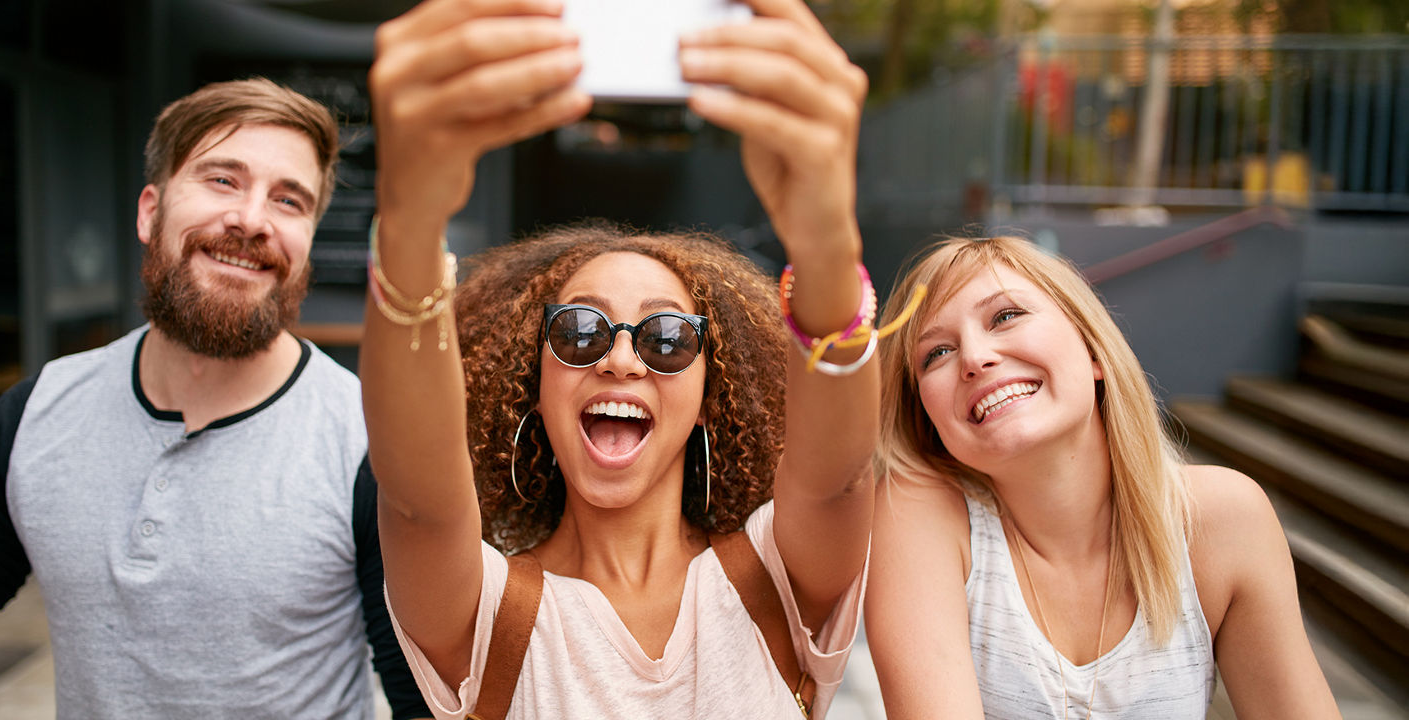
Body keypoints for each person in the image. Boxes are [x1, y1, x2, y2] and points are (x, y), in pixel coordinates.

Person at [0, 78, 428, 720]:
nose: (252, 220)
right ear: (149, 212)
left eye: (289, 201)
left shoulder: (367, 443)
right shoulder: (35, 417)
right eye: (222, 180)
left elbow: (422, 696)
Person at [359, 0, 878, 716]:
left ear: (709, 397)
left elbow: (839, 481)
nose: (623, 359)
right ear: (533, 389)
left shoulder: (776, 581)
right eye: (579, 331)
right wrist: (410, 218)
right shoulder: (484, 616)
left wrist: (825, 244)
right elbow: (417, 504)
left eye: (667, 339)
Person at [863, 235, 1342, 719]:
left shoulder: (1222, 520)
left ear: (1092, 351)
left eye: (1005, 316)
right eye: (936, 354)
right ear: (927, 416)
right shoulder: (917, 519)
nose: (973, 358)